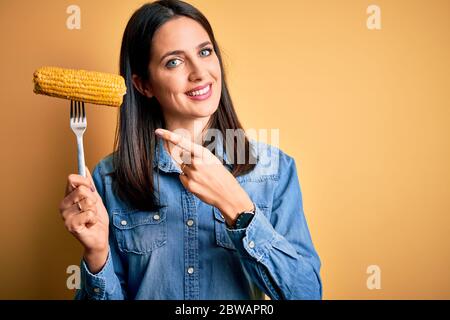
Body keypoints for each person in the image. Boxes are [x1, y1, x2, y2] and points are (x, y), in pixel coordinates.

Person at [58, 0, 322, 300]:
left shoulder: (274, 170)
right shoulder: (109, 178)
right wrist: (96, 254)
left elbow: (307, 294)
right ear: (144, 85)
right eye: (174, 61)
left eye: (205, 52)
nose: (199, 72)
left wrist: (237, 207)